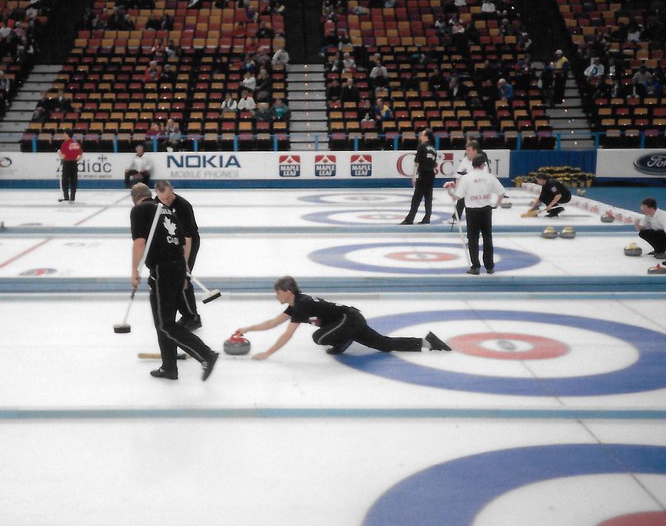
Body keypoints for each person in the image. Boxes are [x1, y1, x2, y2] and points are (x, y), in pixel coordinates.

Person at [235, 276, 452, 360]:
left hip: (349, 319)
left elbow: (287, 334)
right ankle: (428, 342)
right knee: (384, 344)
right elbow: (272, 323)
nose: (276, 296)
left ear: (288, 293)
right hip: (350, 319)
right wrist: (247, 329)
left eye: (278, 292)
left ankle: (343, 341)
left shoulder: (301, 305)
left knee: (319, 338)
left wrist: (267, 353)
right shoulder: (295, 305)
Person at [129, 183, 218, 381]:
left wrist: (134, 271)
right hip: (177, 266)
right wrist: (184, 273)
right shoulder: (167, 211)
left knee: (165, 324)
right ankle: (169, 367)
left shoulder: (139, 210)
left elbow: (139, 242)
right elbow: (182, 241)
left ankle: (206, 354)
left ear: (134, 199)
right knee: (162, 322)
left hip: (163, 270)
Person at [154, 180, 202, 330]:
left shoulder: (183, 206)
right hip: (170, 244)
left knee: (183, 278)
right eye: (162, 199)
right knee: (173, 280)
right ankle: (185, 314)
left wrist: (185, 263)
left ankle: (194, 317)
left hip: (188, 243)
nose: (166, 201)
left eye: (168, 197)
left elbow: (188, 238)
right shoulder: (156, 204)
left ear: (172, 190)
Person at [453, 153, 505, 274]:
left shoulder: (466, 178)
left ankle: (475, 266)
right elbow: (501, 192)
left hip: (472, 211)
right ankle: (489, 266)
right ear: (484, 165)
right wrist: (496, 204)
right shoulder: (490, 177)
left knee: (473, 239)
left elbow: (458, 196)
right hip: (486, 210)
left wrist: (450, 193)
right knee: (487, 238)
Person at [400, 128, 438, 225]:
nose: (420, 137)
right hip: (431, 175)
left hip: (424, 174)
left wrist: (414, 177)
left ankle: (410, 219)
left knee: (416, 198)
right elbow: (434, 164)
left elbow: (417, 163)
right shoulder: (433, 149)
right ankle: (427, 217)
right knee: (428, 197)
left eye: (422, 135)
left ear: (426, 137)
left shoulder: (422, 146)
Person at [448, 139, 481, 223]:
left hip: (478, 188)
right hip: (466, 187)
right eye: (466, 150)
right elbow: (459, 175)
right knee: (461, 199)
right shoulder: (464, 160)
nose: (467, 152)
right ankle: (456, 217)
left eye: (469, 150)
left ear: (475, 151)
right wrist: (457, 190)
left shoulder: (481, 161)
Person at [57, 131, 82, 202]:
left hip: (67, 163)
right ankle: (72, 197)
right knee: (74, 180)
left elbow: (63, 156)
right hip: (74, 163)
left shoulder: (65, 144)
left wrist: (59, 153)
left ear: (67, 135)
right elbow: (80, 155)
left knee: (65, 180)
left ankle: (66, 197)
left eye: (64, 134)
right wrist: (75, 159)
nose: (63, 136)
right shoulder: (76, 144)